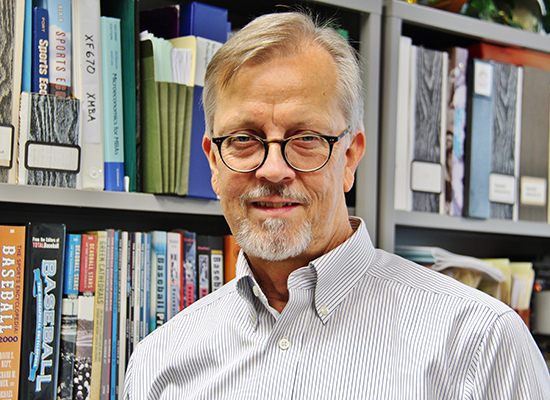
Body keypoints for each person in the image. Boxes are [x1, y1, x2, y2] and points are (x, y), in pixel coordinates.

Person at [123, 11, 550, 399]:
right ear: (214, 161)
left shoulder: (479, 345)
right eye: (244, 139)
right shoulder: (159, 364)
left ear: (350, 157)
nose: (273, 170)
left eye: (306, 138)